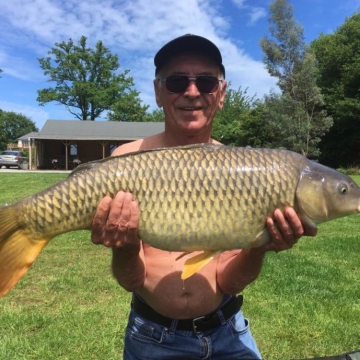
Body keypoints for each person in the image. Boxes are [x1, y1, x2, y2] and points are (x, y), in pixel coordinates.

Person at [91, 34, 317, 360]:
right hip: (152, 338)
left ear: (221, 94)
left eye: (207, 82)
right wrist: (124, 247)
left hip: (228, 332)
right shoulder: (126, 162)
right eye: (177, 82)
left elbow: (229, 280)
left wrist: (259, 246)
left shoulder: (241, 172)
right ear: (158, 91)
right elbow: (131, 280)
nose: (192, 92)